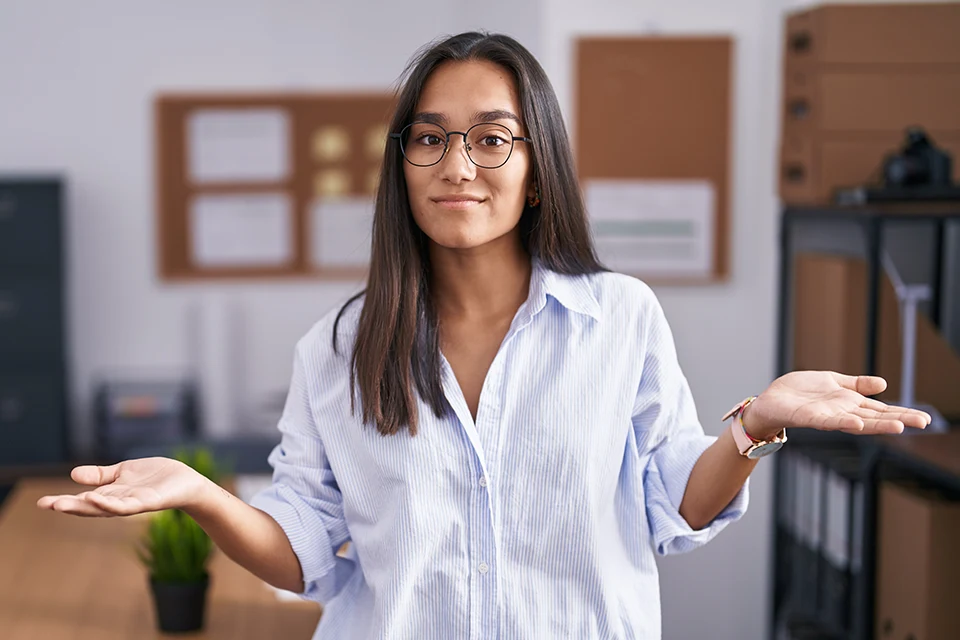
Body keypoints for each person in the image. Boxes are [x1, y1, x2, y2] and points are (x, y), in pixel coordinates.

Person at [38, 32, 930, 639]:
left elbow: (674, 505)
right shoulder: (339, 351)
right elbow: (302, 550)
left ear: (537, 169)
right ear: (402, 167)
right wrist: (200, 494)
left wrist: (754, 424)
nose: (458, 165)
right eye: (429, 140)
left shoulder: (618, 319)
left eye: (492, 138)